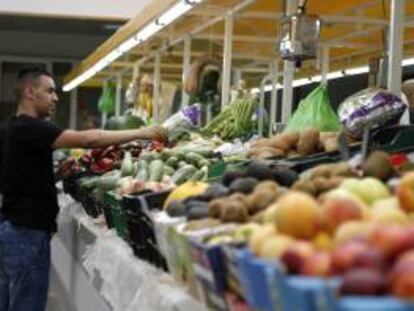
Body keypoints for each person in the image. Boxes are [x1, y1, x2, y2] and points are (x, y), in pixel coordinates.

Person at [0, 68, 167, 311]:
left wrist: (57, 175)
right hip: (27, 233)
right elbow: (89, 140)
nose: (56, 98)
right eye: (49, 91)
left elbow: (15, 177)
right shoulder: (32, 128)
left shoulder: (9, 129)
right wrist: (142, 132)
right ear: (29, 92)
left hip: (13, 229)